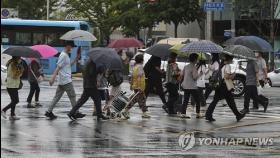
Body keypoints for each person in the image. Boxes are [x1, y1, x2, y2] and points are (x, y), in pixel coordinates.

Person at [45, 41, 85, 119]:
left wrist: (76, 59)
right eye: (71, 46)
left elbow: (67, 66)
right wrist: (52, 78)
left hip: (62, 81)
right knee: (72, 96)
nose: (72, 48)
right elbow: (58, 67)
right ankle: (75, 112)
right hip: (66, 80)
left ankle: (48, 112)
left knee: (57, 97)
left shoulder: (65, 55)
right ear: (67, 46)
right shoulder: (63, 55)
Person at [205, 54, 245, 122]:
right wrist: (233, 75)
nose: (232, 61)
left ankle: (238, 115)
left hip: (220, 85)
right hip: (224, 86)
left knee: (229, 101)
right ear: (229, 59)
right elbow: (226, 76)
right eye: (231, 59)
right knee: (227, 101)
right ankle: (238, 115)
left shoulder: (221, 65)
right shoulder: (227, 66)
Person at [121, 54, 150, 119]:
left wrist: (131, 85)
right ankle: (126, 110)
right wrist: (139, 86)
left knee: (140, 99)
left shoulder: (135, 67)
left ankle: (144, 113)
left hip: (135, 86)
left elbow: (132, 77)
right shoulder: (140, 67)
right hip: (139, 87)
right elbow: (139, 77)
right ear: (141, 60)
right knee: (139, 99)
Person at [1, 56, 24, 120]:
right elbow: (14, 76)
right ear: (16, 58)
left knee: (13, 101)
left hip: (13, 85)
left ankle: (12, 115)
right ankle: (3, 110)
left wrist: (20, 68)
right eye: (19, 58)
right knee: (16, 101)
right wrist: (21, 71)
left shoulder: (14, 64)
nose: (20, 59)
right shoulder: (13, 65)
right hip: (11, 86)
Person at [180, 53, 202, 119]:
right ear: (195, 59)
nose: (197, 60)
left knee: (185, 100)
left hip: (185, 85)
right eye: (197, 59)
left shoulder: (186, 66)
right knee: (198, 100)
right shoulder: (194, 67)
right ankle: (198, 114)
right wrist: (200, 74)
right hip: (192, 86)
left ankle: (183, 114)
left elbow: (182, 74)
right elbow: (195, 77)